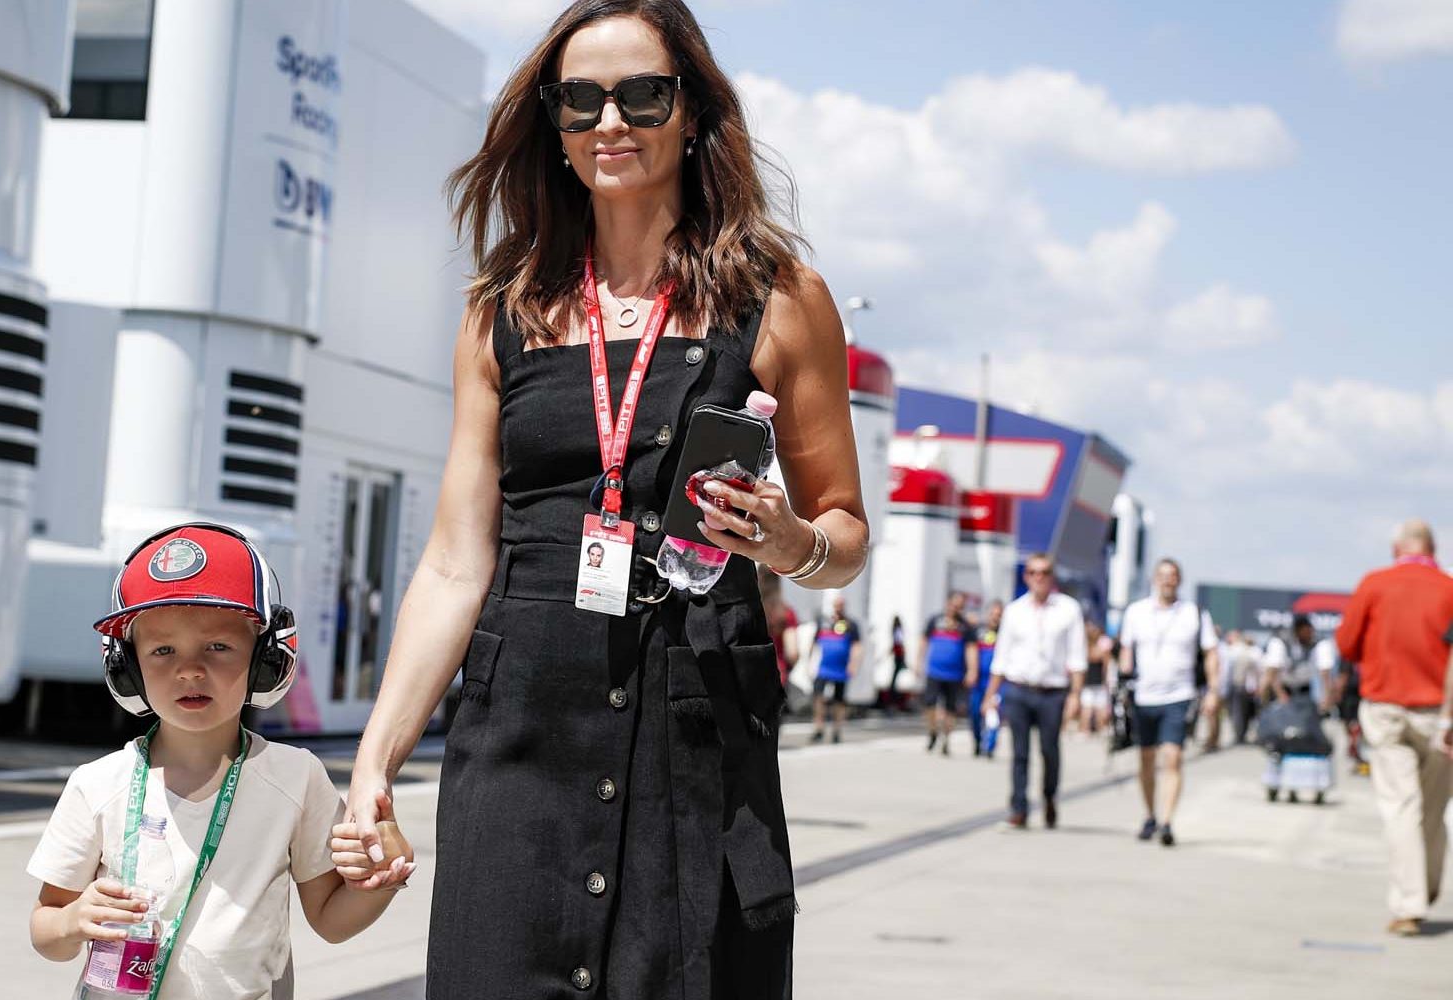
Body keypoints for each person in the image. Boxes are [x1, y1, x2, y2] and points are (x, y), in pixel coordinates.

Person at [342, 3, 871, 995]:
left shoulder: (780, 296)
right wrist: (376, 759)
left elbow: (846, 531)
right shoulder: (502, 307)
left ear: (694, 111)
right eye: (580, 100)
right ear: (553, 122)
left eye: (643, 94)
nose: (611, 122)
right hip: (523, 722)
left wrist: (793, 541)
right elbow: (458, 561)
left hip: (698, 720)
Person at [26, 524, 408, 997]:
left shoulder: (296, 778)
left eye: (218, 647)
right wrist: (73, 921)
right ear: (126, 666)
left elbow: (331, 920)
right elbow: (47, 930)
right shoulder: (98, 784)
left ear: (268, 656)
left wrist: (381, 881)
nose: (190, 669)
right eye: (162, 650)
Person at [1333, 518, 1453, 938]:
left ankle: (1409, 903)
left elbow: (1346, 644)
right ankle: (1428, 885)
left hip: (1386, 708)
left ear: (1396, 549)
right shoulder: (1449, 588)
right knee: (1434, 810)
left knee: (1401, 807)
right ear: (1433, 550)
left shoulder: (1375, 583)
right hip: (1442, 714)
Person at [1118, 557, 1220, 847]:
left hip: (1179, 695)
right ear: (1153, 579)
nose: (1167, 580)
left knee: (1173, 758)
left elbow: (1211, 653)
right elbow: (1126, 652)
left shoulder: (1194, 614)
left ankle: (1166, 821)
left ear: (1179, 580)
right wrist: (1121, 689)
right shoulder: (1136, 612)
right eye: (1162, 575)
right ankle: (1150, 814)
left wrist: (1213, 690)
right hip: (1143, 695)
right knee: (1146, 759)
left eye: (1173, 575)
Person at [983, 553, 1088, 829]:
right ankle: (1019, 807)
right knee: (1019, 752)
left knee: (1049, 750)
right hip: (1018, 688)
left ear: (1052, 576)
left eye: (1043, 572)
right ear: (1026, 576)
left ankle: (1050, 797)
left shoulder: (1068, 609)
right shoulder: (1015, 611)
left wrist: (1076, 695)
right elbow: (1002, 657)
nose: (1038, 577)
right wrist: (990, 695)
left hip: (1052, 692)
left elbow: (1077, 657)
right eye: (1032, 572)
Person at [918, 591, 978, 755]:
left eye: (960, 607)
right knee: (930, 704)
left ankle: (946, 740)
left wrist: (972, 671)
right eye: (954, 605)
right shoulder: (935, 621)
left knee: (950, 709)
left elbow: (971, 650)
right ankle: (932, 732)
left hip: (955, 674)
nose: (957, 609)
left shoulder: (966, 627)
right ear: (948, 604)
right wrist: (919, 663)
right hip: (934, 671)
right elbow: (923, 641)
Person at [811, 594, 862, 743]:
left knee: (838, 700)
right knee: (818, 696)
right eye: (836, 605)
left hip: (840, 669)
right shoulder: (824, 622)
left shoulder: (851, 625)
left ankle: (836, 730)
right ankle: (819, 727)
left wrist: (854, 663)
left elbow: (857, 646)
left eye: (841, 605)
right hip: (824, 667)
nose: (839, 607)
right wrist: (809, 661)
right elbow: (814, 643)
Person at [1260, 614, 1336, 709]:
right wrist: (1281, 695)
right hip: (1282, 687)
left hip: (1303, 689)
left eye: (1310, 630)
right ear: (1297, 630)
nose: (1310, 634)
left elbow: (1326, 674)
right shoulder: (1281, 641)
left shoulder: (1319, 643)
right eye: (1306, 631)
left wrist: (1327, 698)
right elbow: (1272, 672)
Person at [967, 601, 1002, 757]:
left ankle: (990, 746)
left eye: (999, 615)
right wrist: (972, 671)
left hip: (997, 680)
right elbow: (971, 650)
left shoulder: (1006, 632)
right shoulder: (978, 631)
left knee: (993, 712)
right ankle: (977, 741)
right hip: (980, 679)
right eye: (993, 614)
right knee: (975, 712)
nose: (995, 618)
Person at [1219, 630, 1263, 745]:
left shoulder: (1239, 650)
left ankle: (1240, 735)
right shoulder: (1239, 650)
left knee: (1240, 713)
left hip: (1242, 687)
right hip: (1241, 686)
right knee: (1240, 713)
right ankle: (1240, 735)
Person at [1080, 622, 1112, 736]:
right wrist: (1106, 679)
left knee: (1087, 708)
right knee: (1100, 708)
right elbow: (1106, 666)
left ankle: (1085, 730)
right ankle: (1101, 728)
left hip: (1087, 682)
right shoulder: (1101, 651)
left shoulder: (1084, 651)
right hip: (1098, 681)